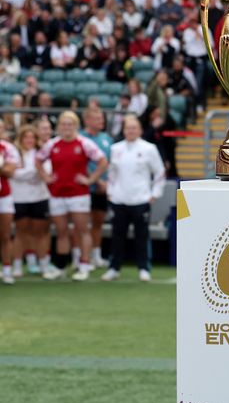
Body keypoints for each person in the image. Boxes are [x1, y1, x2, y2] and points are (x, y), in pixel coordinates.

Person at [35, 111, 107, 282]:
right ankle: (61, 266)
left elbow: (102, 161)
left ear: (76, 126)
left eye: (70, 124)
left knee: (82, 230)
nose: (66, 127)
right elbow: (38, 160)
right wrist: (46, 177)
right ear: (59, 126)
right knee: (61, 232)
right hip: (57, 193)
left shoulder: (84, 143)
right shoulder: (52, 144)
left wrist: (91, 179)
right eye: (63, 124)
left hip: (79, 194)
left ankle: (84, 265)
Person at [102, 116, 165, 282]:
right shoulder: (115, 148)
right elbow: (112, 173)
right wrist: (110, 192)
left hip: (141, 199)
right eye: (128, 128)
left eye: (134, 127)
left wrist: (154, 194)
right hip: (119, 200)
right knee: (117, 236)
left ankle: (144, 268)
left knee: (141, 236)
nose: (131, 131)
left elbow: (159, 172)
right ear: (123, 130)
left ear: (140, 130)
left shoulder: (149, 148)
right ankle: (114, 268)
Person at [11, 125, 61, 280]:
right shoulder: (14, 154)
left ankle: (44, 265)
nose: (29, 141)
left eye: (32, 137)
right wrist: (33, 172)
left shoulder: (41, 154)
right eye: (26, 137)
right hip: (19, 199)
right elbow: (14, 173)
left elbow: (45, 172)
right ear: (21, 139)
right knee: (21, 233)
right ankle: (17, 265)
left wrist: (28, 172)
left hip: (40, 198)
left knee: (41, 233)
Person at [80, 108, 113, 269]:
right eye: (97, 118)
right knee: (82, 224)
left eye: (102, 118)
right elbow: (81, 162)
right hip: (84, 187)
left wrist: (106, 183)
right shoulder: (80, 138)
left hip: (103, 188)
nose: (101, 121)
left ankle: (96, 255)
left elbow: (111, 162)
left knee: (98, 222)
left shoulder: (107, 138)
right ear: (87, 120)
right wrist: (96, 180)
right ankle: (81, 256)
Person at [0, 132, 20, 285]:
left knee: (6, 234)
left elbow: (9, 171)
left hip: (4, 196)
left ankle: (7, 269)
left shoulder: (8, 148)